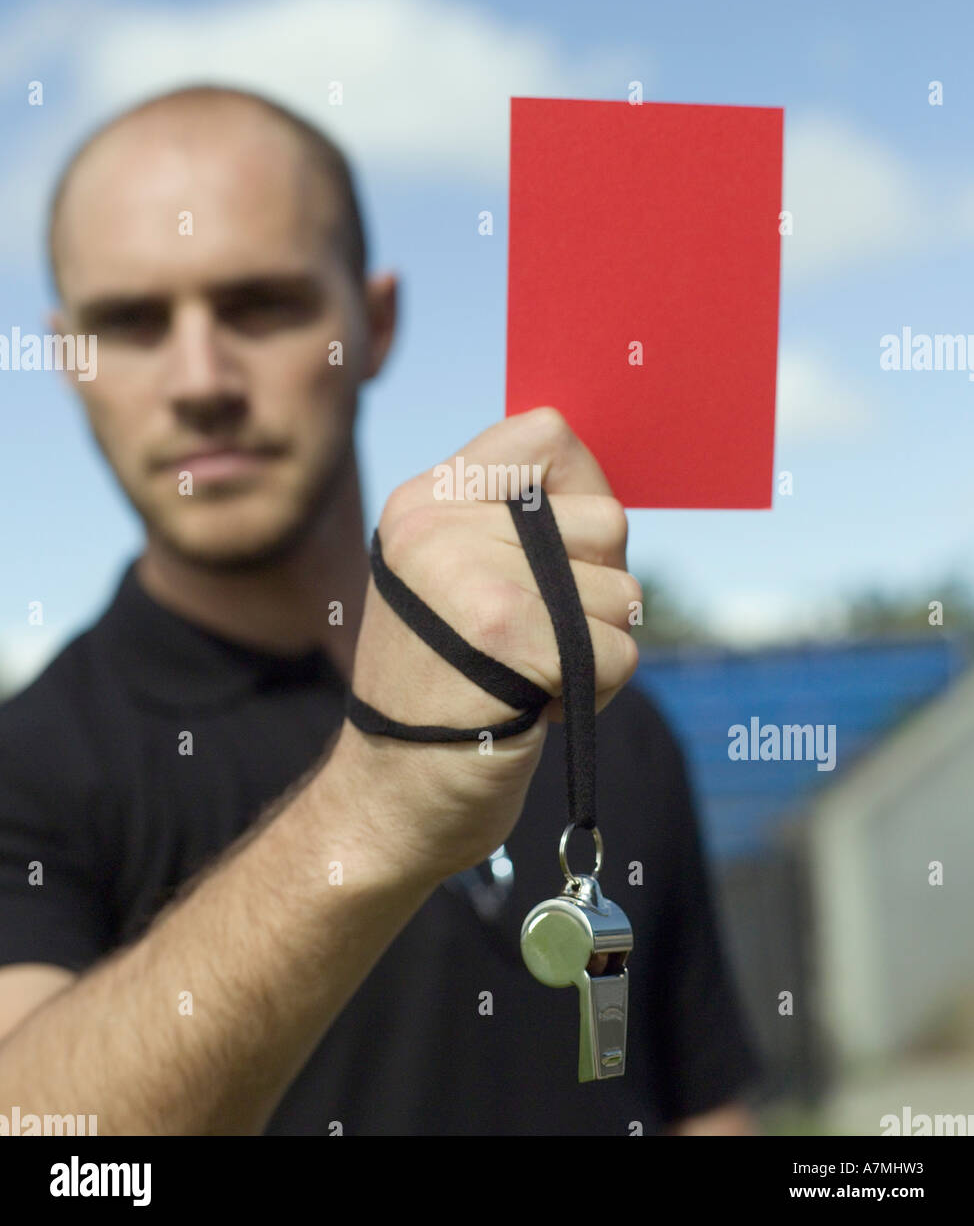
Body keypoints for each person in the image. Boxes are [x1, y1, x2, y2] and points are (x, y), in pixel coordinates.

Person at [0, 84, 760, 1135]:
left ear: (377, 322)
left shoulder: (600, 717)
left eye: (261, 304)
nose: (200, 378)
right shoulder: (29, 767)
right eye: (129, 322)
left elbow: (703, 1108)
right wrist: (372, 804)